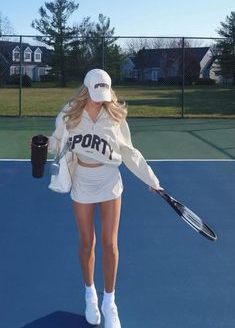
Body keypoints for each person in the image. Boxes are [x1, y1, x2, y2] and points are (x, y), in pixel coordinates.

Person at [47, 68, 163, 328]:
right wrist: (44, 143)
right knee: (87, 242)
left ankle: (109, 301)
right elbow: (57, 142)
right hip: (82, 181)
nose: (101, 99)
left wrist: (152, 181)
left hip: (110, 180)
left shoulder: (115, 116)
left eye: (104, 93)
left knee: (110, 244)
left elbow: (129, 152)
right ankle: (90, 293)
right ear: (86, 89)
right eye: (96, 93)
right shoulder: (69, 114)